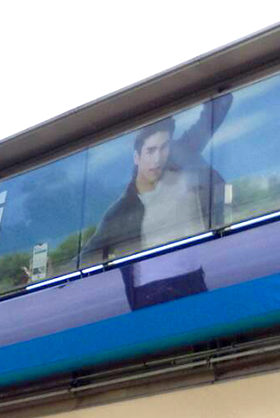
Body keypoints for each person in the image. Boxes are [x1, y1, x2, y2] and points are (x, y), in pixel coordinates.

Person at [83, 94, 232, 308]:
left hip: (193, 279)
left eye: (164, 148)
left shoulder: (181, 159)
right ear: (137, 157)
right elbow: (88, 255)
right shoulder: (121, 211)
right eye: (150, 151)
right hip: (151, 293)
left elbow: (213, 115)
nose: (157, 158)